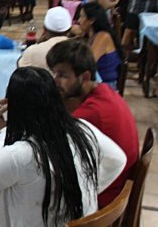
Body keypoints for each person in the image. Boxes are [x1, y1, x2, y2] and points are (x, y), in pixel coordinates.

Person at [0, 67, 126, 227]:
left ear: (13, 106)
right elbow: (119, 159)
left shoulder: (20, 154)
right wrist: (86, 190)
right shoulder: (82, 128)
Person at [46, 40, 138, 208]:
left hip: (106, 196)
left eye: (63, 75)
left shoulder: (90, 115)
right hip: (120, 184)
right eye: (54, 73)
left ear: (85, 77)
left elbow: (54, 151)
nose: (55, 81)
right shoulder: (104, 90)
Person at [76, 2, 124, 89]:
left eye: (82, 17)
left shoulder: (103, 37)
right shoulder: (89, 36)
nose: (79, 21)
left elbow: (88, 62)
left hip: (105, 85)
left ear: (91, 20)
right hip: (94, 82)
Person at [18, 6, 72, 71]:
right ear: (70, 30)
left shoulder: (32, 51)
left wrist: (37, 44)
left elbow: (20, 70)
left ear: (44, 29)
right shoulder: (78, 50)